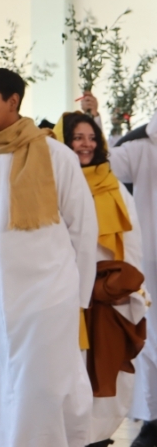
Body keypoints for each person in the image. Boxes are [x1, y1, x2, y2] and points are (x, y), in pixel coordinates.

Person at [0, 68, 97, 446]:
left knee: (44, 392)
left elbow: (82, 229)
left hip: (48, 299)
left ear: (13, 101)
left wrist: (76, 299)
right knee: (0, 392)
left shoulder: (55, 156)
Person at [54, 112, 147, 447]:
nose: (86, 145)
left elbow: (131, 236)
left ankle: (96, 437)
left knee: (107, 367)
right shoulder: (53, 180)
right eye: (78, 137)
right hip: (65, 291)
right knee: (70, 367)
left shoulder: (112, 183)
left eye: (91, 137)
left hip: (107, 294)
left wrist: (126, 286)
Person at [107, 112, 157, 447]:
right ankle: (153, 420)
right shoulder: (142, 146)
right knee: (151, 338)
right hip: (152, 260)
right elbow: (102, 163)